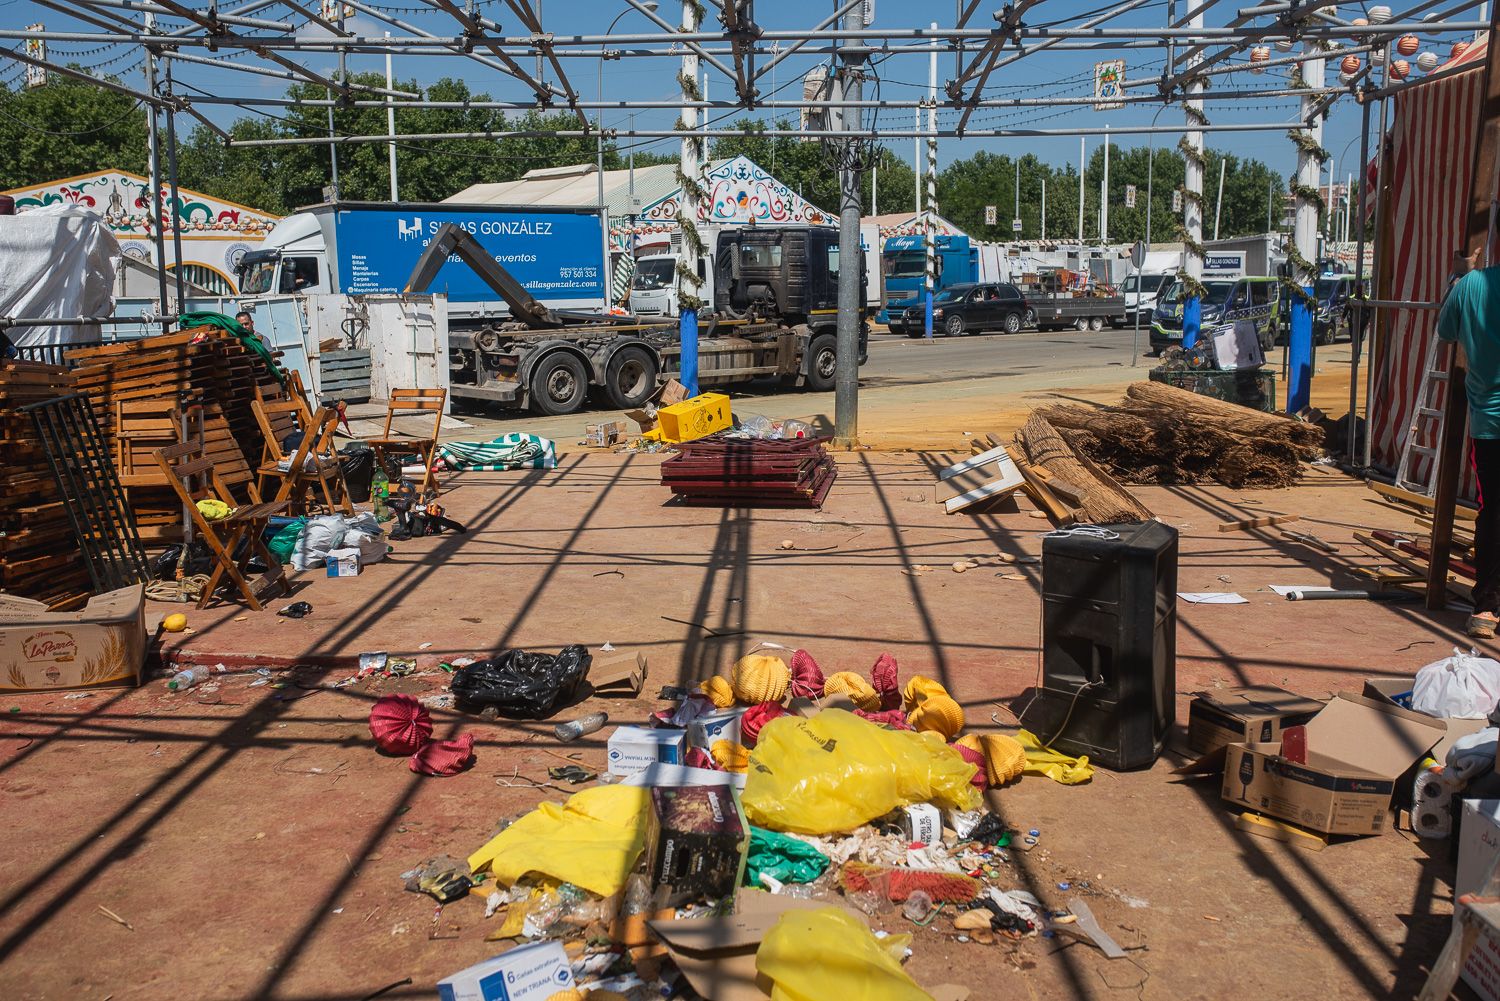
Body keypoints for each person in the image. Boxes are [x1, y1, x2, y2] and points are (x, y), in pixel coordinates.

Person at [1437, 248, 1500, 637]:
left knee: (1494, 511)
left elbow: (1445, 331)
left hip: (1490, 422)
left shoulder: (1472, 285)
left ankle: (1487, 609)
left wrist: (1460, 277)